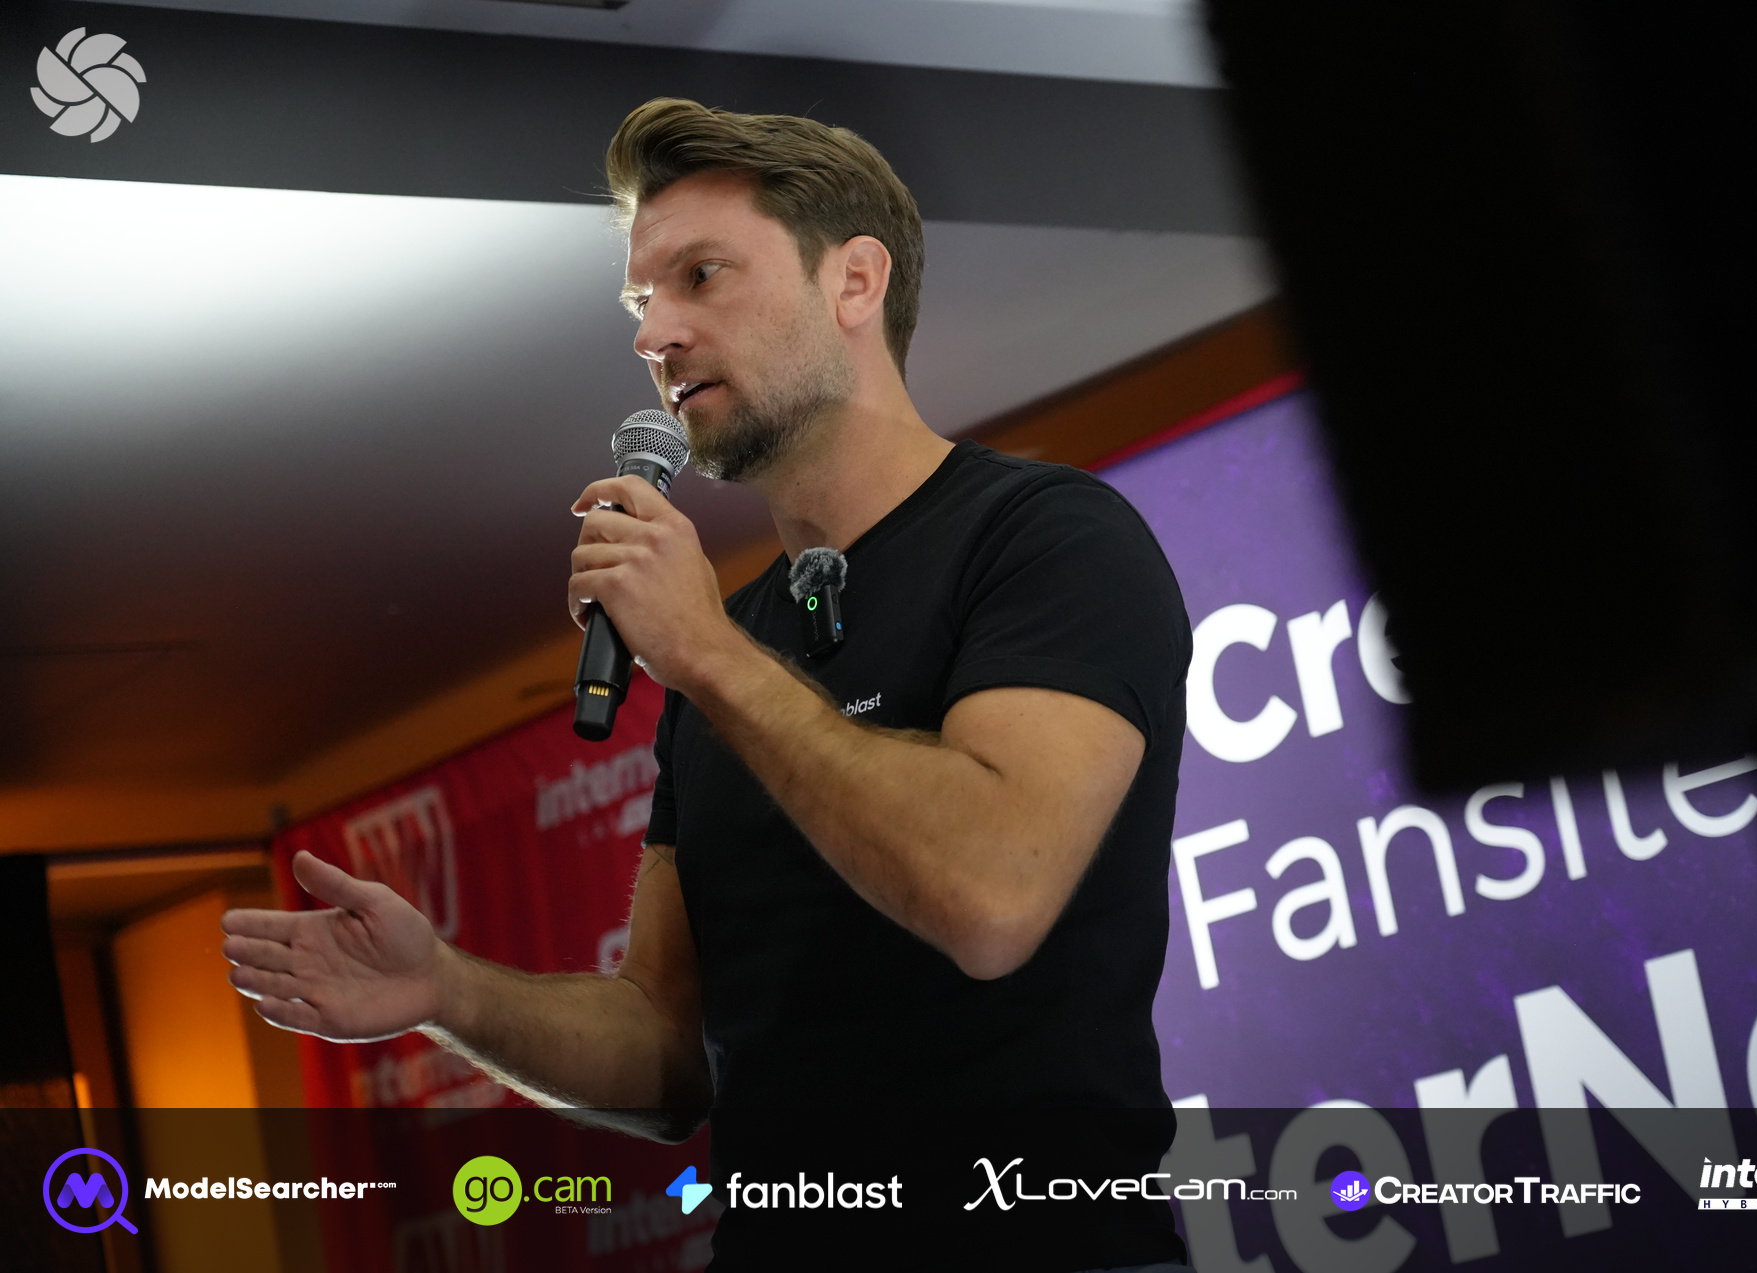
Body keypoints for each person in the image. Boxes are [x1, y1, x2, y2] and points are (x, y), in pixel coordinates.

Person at [221, 98, 1193, 1270]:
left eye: (700, 276)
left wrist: (708, 656)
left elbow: (990, 898)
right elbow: (667, 1048)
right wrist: (445, 990)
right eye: (640, 302)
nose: (655, 334)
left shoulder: (1044, 540)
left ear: (854, 281)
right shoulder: (725, 648)